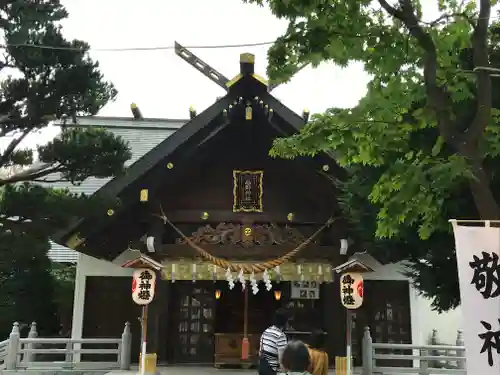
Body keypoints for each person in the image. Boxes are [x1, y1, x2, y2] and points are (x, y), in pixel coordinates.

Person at [258, 308, 289, 375]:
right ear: (285, 322)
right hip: (272, 370)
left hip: (262, 367)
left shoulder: (266, 331)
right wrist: (286, 373)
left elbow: (260, 353)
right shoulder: (280, 336)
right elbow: (282, 360)